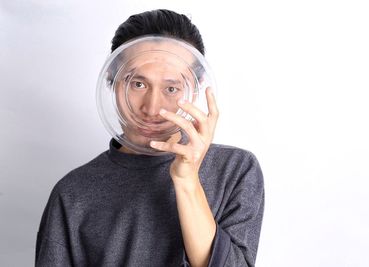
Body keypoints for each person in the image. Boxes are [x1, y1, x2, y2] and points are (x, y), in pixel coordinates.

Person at [35, 9, 265, 267]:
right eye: (138, 84)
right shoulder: (72, 193)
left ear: (196, 87)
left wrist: (187, 181)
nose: (152, 108)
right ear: (112, 80)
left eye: (171, 88)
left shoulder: (234, 170)